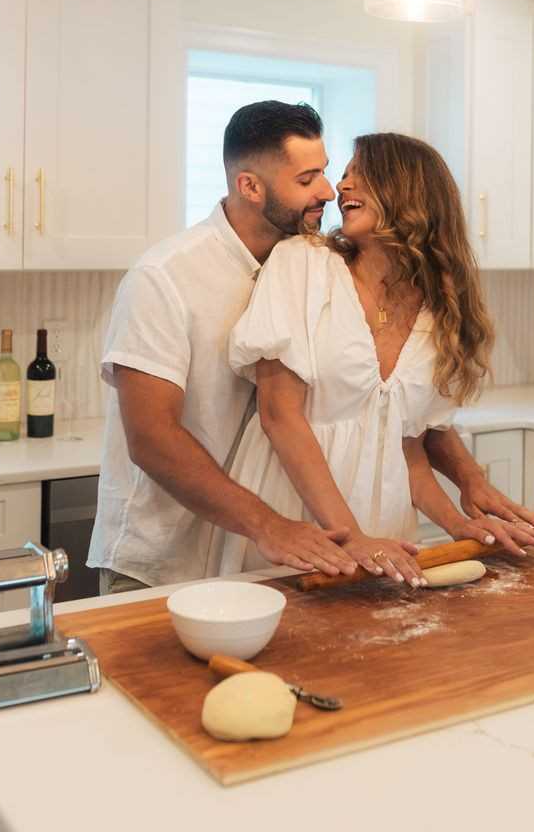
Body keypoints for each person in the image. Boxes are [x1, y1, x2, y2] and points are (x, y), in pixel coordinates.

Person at [202, 132, 534, 585]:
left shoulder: (438, 307)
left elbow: (404, 448)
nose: (342, 187)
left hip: (383, 536)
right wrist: (351, 537)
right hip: (299, 522)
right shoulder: (302, 264)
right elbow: (279, 416)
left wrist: (459, 526)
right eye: (343, 175)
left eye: (359, 175)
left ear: (408, 192)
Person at [88, 102, 359, 591]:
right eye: (307, 179)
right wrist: (270, 525)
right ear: (250, 187)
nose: (327, 191)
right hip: (162, 563)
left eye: (325, 172)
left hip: (252, 558)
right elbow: (150, 437)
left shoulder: (305, 267)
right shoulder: (164, 277)